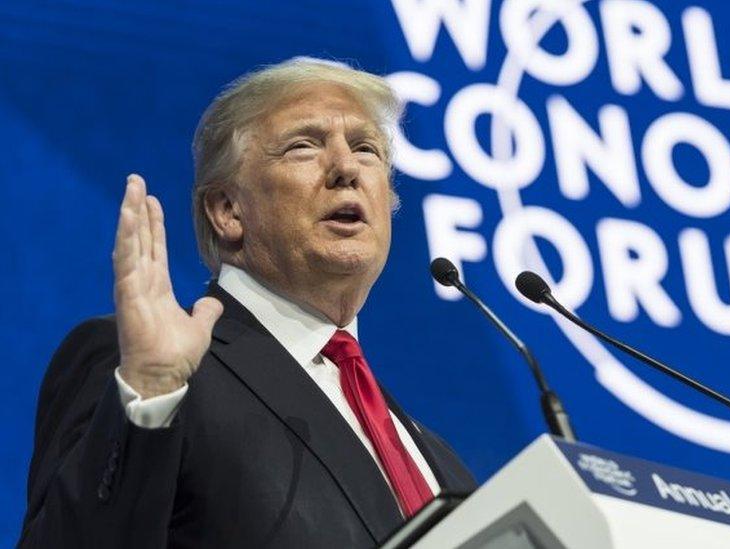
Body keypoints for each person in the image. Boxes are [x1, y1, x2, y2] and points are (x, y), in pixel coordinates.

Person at [19, 57, 476, 548]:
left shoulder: (441, 464)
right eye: (304, 146)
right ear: (228, 211)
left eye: (366, 149)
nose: (347, 168)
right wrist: (149, 394)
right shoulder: (149, 371)